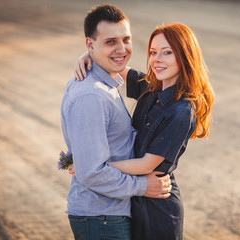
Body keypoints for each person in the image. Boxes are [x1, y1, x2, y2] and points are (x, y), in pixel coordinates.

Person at [73, 22, 214, 240]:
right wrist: (88, 54)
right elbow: (116, 63)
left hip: (158, 205)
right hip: (136, 197)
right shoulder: (152, 87)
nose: (157, 59)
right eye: (153, 52)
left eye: (167, 52)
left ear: (185, 56)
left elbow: (146, 164)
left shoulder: (181, 110)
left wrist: (91, 166)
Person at [60, 4, 172, 240]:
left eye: (126, 39)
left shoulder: (104, 81)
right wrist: (143, 186)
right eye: (110, 42)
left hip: (107, 213)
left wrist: (90, 55)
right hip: (101, 217)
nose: (122, 49)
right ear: (90, 44)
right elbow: (92, 173)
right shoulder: (91, 96)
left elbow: (159, 82)